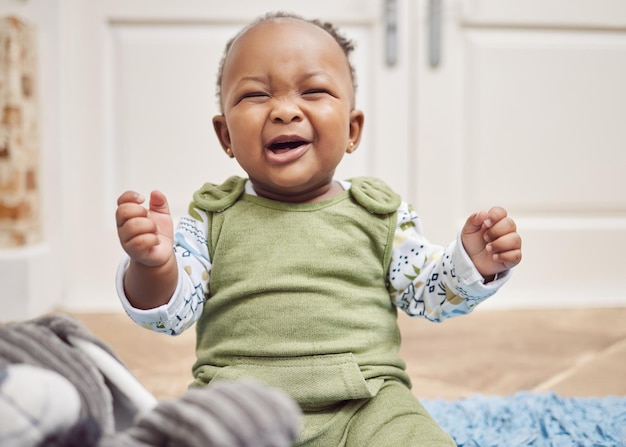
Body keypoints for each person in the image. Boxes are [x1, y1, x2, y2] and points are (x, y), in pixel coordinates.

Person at [114, 11, 522, 446]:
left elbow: (428, 295)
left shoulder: (379, 215)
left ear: (352, 128)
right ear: (225, 135)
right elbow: (173, 315)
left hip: (365, 400)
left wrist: (471, 264)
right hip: (238, 403)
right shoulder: (212, 217)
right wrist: (153, 265)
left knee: (412, 435)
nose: (285, 110)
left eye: (313, 91)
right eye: (255, 95)